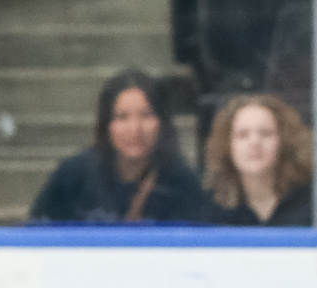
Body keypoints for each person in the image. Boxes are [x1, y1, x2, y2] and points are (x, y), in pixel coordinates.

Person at [27, 69, 206, 224]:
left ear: (162, 122)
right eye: (122, 117)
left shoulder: (183, 183)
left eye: (146, 115)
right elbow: (36, 229)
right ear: (106, 125)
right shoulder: (74, 176)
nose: (135, 129)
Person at [203, 93, 312, 227]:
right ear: (226, 145)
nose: (254, 142)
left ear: (285, 142)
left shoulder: (315, 204)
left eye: (266, 133)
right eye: (243, 135)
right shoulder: (209, 211)